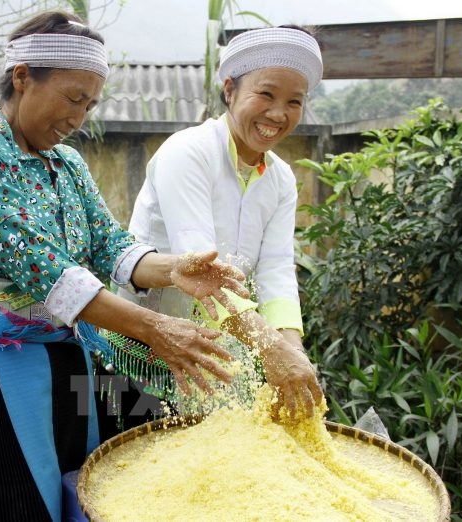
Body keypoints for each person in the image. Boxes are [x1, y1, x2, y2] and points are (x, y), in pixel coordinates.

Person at [0, 11, 250, 522]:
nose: (78, 118)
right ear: (22, 77)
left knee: (73, 492)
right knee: (5, 503)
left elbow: (109, 244)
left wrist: (173, 269)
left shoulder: (66, 163)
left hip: (64, 359)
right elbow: (46, 272)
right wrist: (155, 329)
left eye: (89, 104)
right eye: (72, 99)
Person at [116, 25, 324, 425]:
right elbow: (203, 273)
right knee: (133, 455)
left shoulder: (280, 178)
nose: (278, 114)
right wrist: (270, 349)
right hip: (144, 343)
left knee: (210, 463)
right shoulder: (188, 152)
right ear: (230, 90)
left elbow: (277, 269)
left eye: (294, 101)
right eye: (266, 94)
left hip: (219, 346)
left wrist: (292, 351)